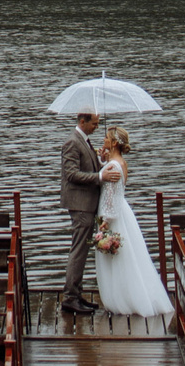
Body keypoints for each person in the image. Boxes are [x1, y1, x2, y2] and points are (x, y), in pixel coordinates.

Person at [90, 124, 175, 318]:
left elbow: (110, 195)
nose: (102, 141)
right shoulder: (121, 163)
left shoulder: (112, 166)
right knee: (130, 257)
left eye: (106, 139)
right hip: (123, 211)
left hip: (113, 215)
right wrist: (104, 159)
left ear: (113, 143)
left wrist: (106, 221)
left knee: (117, 259)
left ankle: (122, 300)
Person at [58, 111, 104, 315]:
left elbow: (87, 166)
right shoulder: (72, 142)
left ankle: (77, 294)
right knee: (78, 251)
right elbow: (72, 174)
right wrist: (100, 176)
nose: (96, 127)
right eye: (94, 124)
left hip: (87, 204)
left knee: (82, 251)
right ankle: (69, 298)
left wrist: (100, 161)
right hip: (80, 205)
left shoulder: (84, 141)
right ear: (82, 121)